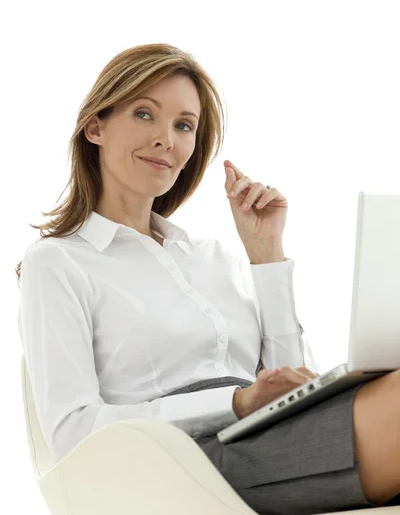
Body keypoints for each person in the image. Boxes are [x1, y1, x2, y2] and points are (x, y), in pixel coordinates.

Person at [16, 43, 400, 514]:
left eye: (183, 126)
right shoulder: (58, 263)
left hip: (273, 432)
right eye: (143, 114)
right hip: (180, 463)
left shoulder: (213, 259)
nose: (167, 139)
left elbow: (290, 383)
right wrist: (236, 403)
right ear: (95, 126)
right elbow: (72, 435)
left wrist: (266, 258)